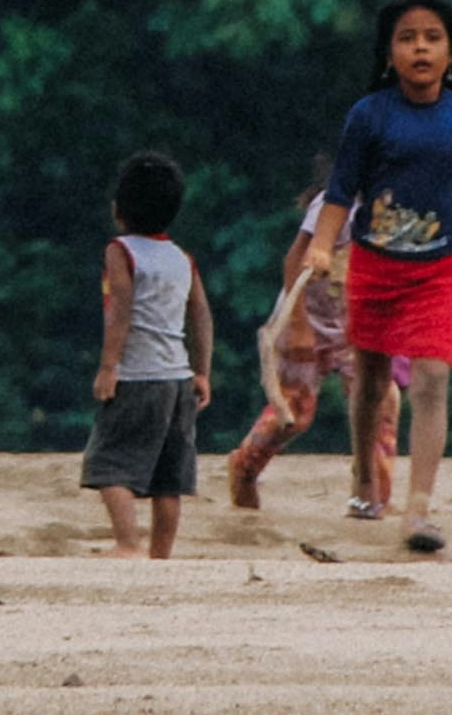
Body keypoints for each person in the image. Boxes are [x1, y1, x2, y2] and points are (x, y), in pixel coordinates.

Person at [315, 0, 452, 557]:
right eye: (408, 38)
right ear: (389, 54)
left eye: (432, 38)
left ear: (450, 53)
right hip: (374, 263)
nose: (420, 47)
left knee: (433, 380)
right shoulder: (368, 115)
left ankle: (419, 505)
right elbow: (340, 192)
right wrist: (321, 246)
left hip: (440, 266)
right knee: (370, 381)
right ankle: (366, 477)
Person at [82, 153, 218, 557]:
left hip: (138, 377)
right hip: (177, 379)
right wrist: (202, 371)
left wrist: (109, 366)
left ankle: (127, 543)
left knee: (108, 463)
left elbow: (120, 308)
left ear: (118, 208)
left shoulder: (120, 251)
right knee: (168, 478)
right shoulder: (182, 258)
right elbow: (202, 316)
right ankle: (161, 554)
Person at [218, 201, 378, 510]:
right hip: (308, 319)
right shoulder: (335, 203)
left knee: (380, 401)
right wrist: (298, 324)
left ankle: (373, 494)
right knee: (294, 412)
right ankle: (245, 467)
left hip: (352, 324)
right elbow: (294, 259)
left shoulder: (392, 203)